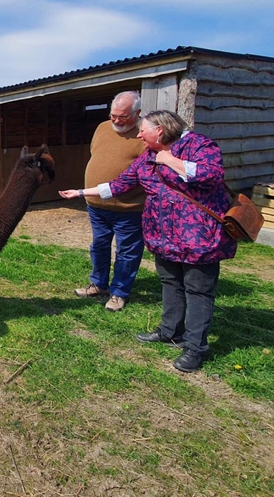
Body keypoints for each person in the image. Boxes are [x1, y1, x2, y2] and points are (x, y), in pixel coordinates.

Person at [59, 109, 236, 372]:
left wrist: (170, 161)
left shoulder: (199, 145)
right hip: (165, 236)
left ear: (160, 130)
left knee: (198, 290)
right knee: (170, 283)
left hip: (198, 237)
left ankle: (195, 348)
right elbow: (119, 185)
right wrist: (81, 192)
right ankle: (170, 332)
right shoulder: (147, 160)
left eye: (143, 129)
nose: (139, 134)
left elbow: (211, 175)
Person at [74, 90, 145, 313]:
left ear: (137, 113)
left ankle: (119, 293)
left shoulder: (145, 134)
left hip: (129, 207)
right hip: (96, 205)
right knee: (99, 246)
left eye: (122, 117)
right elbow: (96, 152)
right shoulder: (103, 128)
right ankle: (99, 284)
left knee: (127, 251)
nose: (115, 120)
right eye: (112, 115)